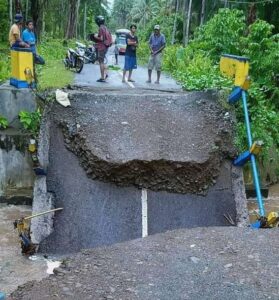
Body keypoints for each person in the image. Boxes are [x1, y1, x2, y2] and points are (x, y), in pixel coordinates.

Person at [93, 15, 109, 82]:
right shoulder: (105, 27)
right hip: (105, 46)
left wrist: (95, 36)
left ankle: (102, 77)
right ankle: (106, 73)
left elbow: (101, 38)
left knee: (101, 62)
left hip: (102, 47)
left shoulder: (100, 28)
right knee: (101, 61)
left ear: (98, 21)